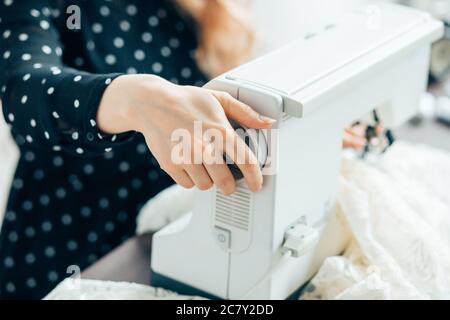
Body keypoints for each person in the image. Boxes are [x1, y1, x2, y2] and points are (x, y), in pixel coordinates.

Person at [0, 0, 368, 299]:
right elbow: (23, 89)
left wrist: (300, 131)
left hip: (179, 231)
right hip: (71, 240)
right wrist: (136, 100)